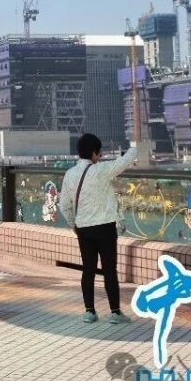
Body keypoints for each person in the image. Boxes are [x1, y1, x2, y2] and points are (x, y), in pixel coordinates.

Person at [59, 133, 138, 324]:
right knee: (109, 270)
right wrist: (136, 146)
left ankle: (89, 312)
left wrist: (73, 224)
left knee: (88, 269)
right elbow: (125, 161)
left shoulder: (70, 174)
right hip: (105, 228)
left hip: (83, 228)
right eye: (99, 152)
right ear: (94, 153)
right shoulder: (101, 170)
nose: (100, 156)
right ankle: (115, 313)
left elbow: (64, 205)